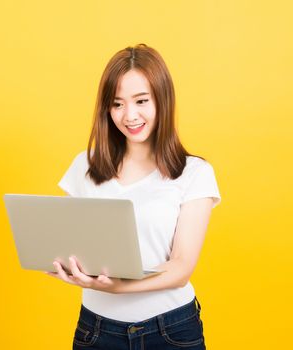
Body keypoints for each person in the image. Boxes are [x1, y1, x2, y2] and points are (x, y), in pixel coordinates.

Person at [47, 44, 221, 349]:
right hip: (97, 331)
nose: (129, 115)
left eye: (141, 100)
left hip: (171, 331)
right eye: (117, 104)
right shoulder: (84, 166)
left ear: (162, 100)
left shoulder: (194, 172)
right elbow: (71, 245)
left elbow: (180, 267)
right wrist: (66, 266)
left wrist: (119, 286)